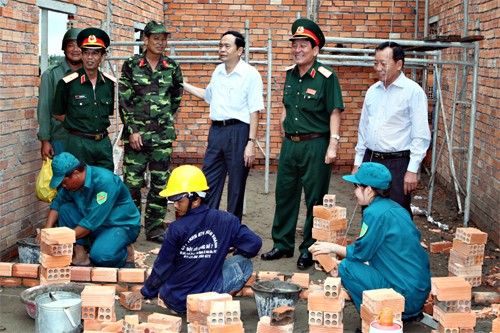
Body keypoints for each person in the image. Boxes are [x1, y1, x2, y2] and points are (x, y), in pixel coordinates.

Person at [261, 18, 344, 270]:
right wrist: (283, 124)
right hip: (290, 145)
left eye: (303, 46)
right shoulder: (289, 75)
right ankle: (282, 244)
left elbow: (334, 111)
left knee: (314, 200)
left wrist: (333, 144)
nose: (297, 50)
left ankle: (310, 247)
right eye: (294, 45)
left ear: (315, 50)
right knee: (285, 194)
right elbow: (288, 107)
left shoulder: (326, 77)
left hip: (315, 144)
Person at [125, 165, 262, 314]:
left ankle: (206, 306)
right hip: (205, 297)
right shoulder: (227, 220)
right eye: (172, 200)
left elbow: (162, 267)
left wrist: (145, 292)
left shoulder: (176, 229)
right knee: (244, 263)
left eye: (179, 200)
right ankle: (217, 305)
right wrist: (228, 250)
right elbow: (254, 244)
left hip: (175, 301)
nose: (175, 206)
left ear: (196, 200)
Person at [309, 162, 431, 322]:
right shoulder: (398, 208)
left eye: (356, 187)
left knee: (347, 268)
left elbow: (360, 254)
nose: (354, 192)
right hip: (419, 292)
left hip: (404, 298)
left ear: (368, 189)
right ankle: (407, 314)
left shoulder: (374, 213)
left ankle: (373, 320)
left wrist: (331, 247)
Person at [182, 30, 264, 222]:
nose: (222, 49)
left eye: (227, 46)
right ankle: (207, 226)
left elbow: (255, 110)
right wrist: (184, 85)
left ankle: (231, 231)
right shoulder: (218, 71)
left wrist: (250, 142)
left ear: (240, 50)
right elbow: (207, 96)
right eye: (220, 45)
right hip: (217, 131)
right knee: (208, 181)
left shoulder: (250, 74)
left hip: (239, 132)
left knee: (236, 186)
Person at [118, 20, 184, 243]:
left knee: (160, 184)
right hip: (136, 138)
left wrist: (162, 121)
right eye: (156, 38)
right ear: (145, 40)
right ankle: (131, 225)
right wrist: (133, 130)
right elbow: (124, 100)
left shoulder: (172, 67)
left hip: (162, 137)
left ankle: (155, 228)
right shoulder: (131, 65)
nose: (161, 42)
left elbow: (175, 97)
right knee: (132, 184)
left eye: (164, 38)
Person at [353, 41, 431, 216]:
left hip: (397, 164)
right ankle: (370, 243)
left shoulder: (413, 92)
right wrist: (358, 162)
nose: (378, 68)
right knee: (369, 210)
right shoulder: (372, 91)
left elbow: (421, 135)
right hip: (371, 159)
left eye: (383, 63)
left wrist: (412, 169)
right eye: (375, 63)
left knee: (397, 212)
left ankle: (398, 244)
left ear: (399, 64)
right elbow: (363, 129)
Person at [36, 152, 140, 268]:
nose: (64, 186)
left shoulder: (105, 182)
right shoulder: (72, 185)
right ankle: (81, 257)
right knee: (65, 209)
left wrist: (62, 239)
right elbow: (57, 203)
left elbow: (91, 222)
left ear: (76, 174)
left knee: (101, 257)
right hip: (95, 224)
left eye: (64, 182)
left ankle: (126, 252)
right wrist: (46, 229)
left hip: (120, 226)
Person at [53, 28, 116, 171]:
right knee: (77, 185)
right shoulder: (67, 83)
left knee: (105, 183)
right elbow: (57, 112)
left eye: (95, 53)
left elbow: (107, 113)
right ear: (81, 55)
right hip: (77, 143)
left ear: (103, 56)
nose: (90, 58)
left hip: (103, 144)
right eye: (86, 52)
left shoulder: (108, 83)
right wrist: (77, 124)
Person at [37, 28, 83, 160]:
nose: (75, 49)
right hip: (60, 138)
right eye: (71, 45)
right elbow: (44, 109)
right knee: (62, 178)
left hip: (85, 138)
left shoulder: (90, 74)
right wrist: (45, 140)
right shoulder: (51, 75)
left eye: (79, 45)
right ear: (64, 48)